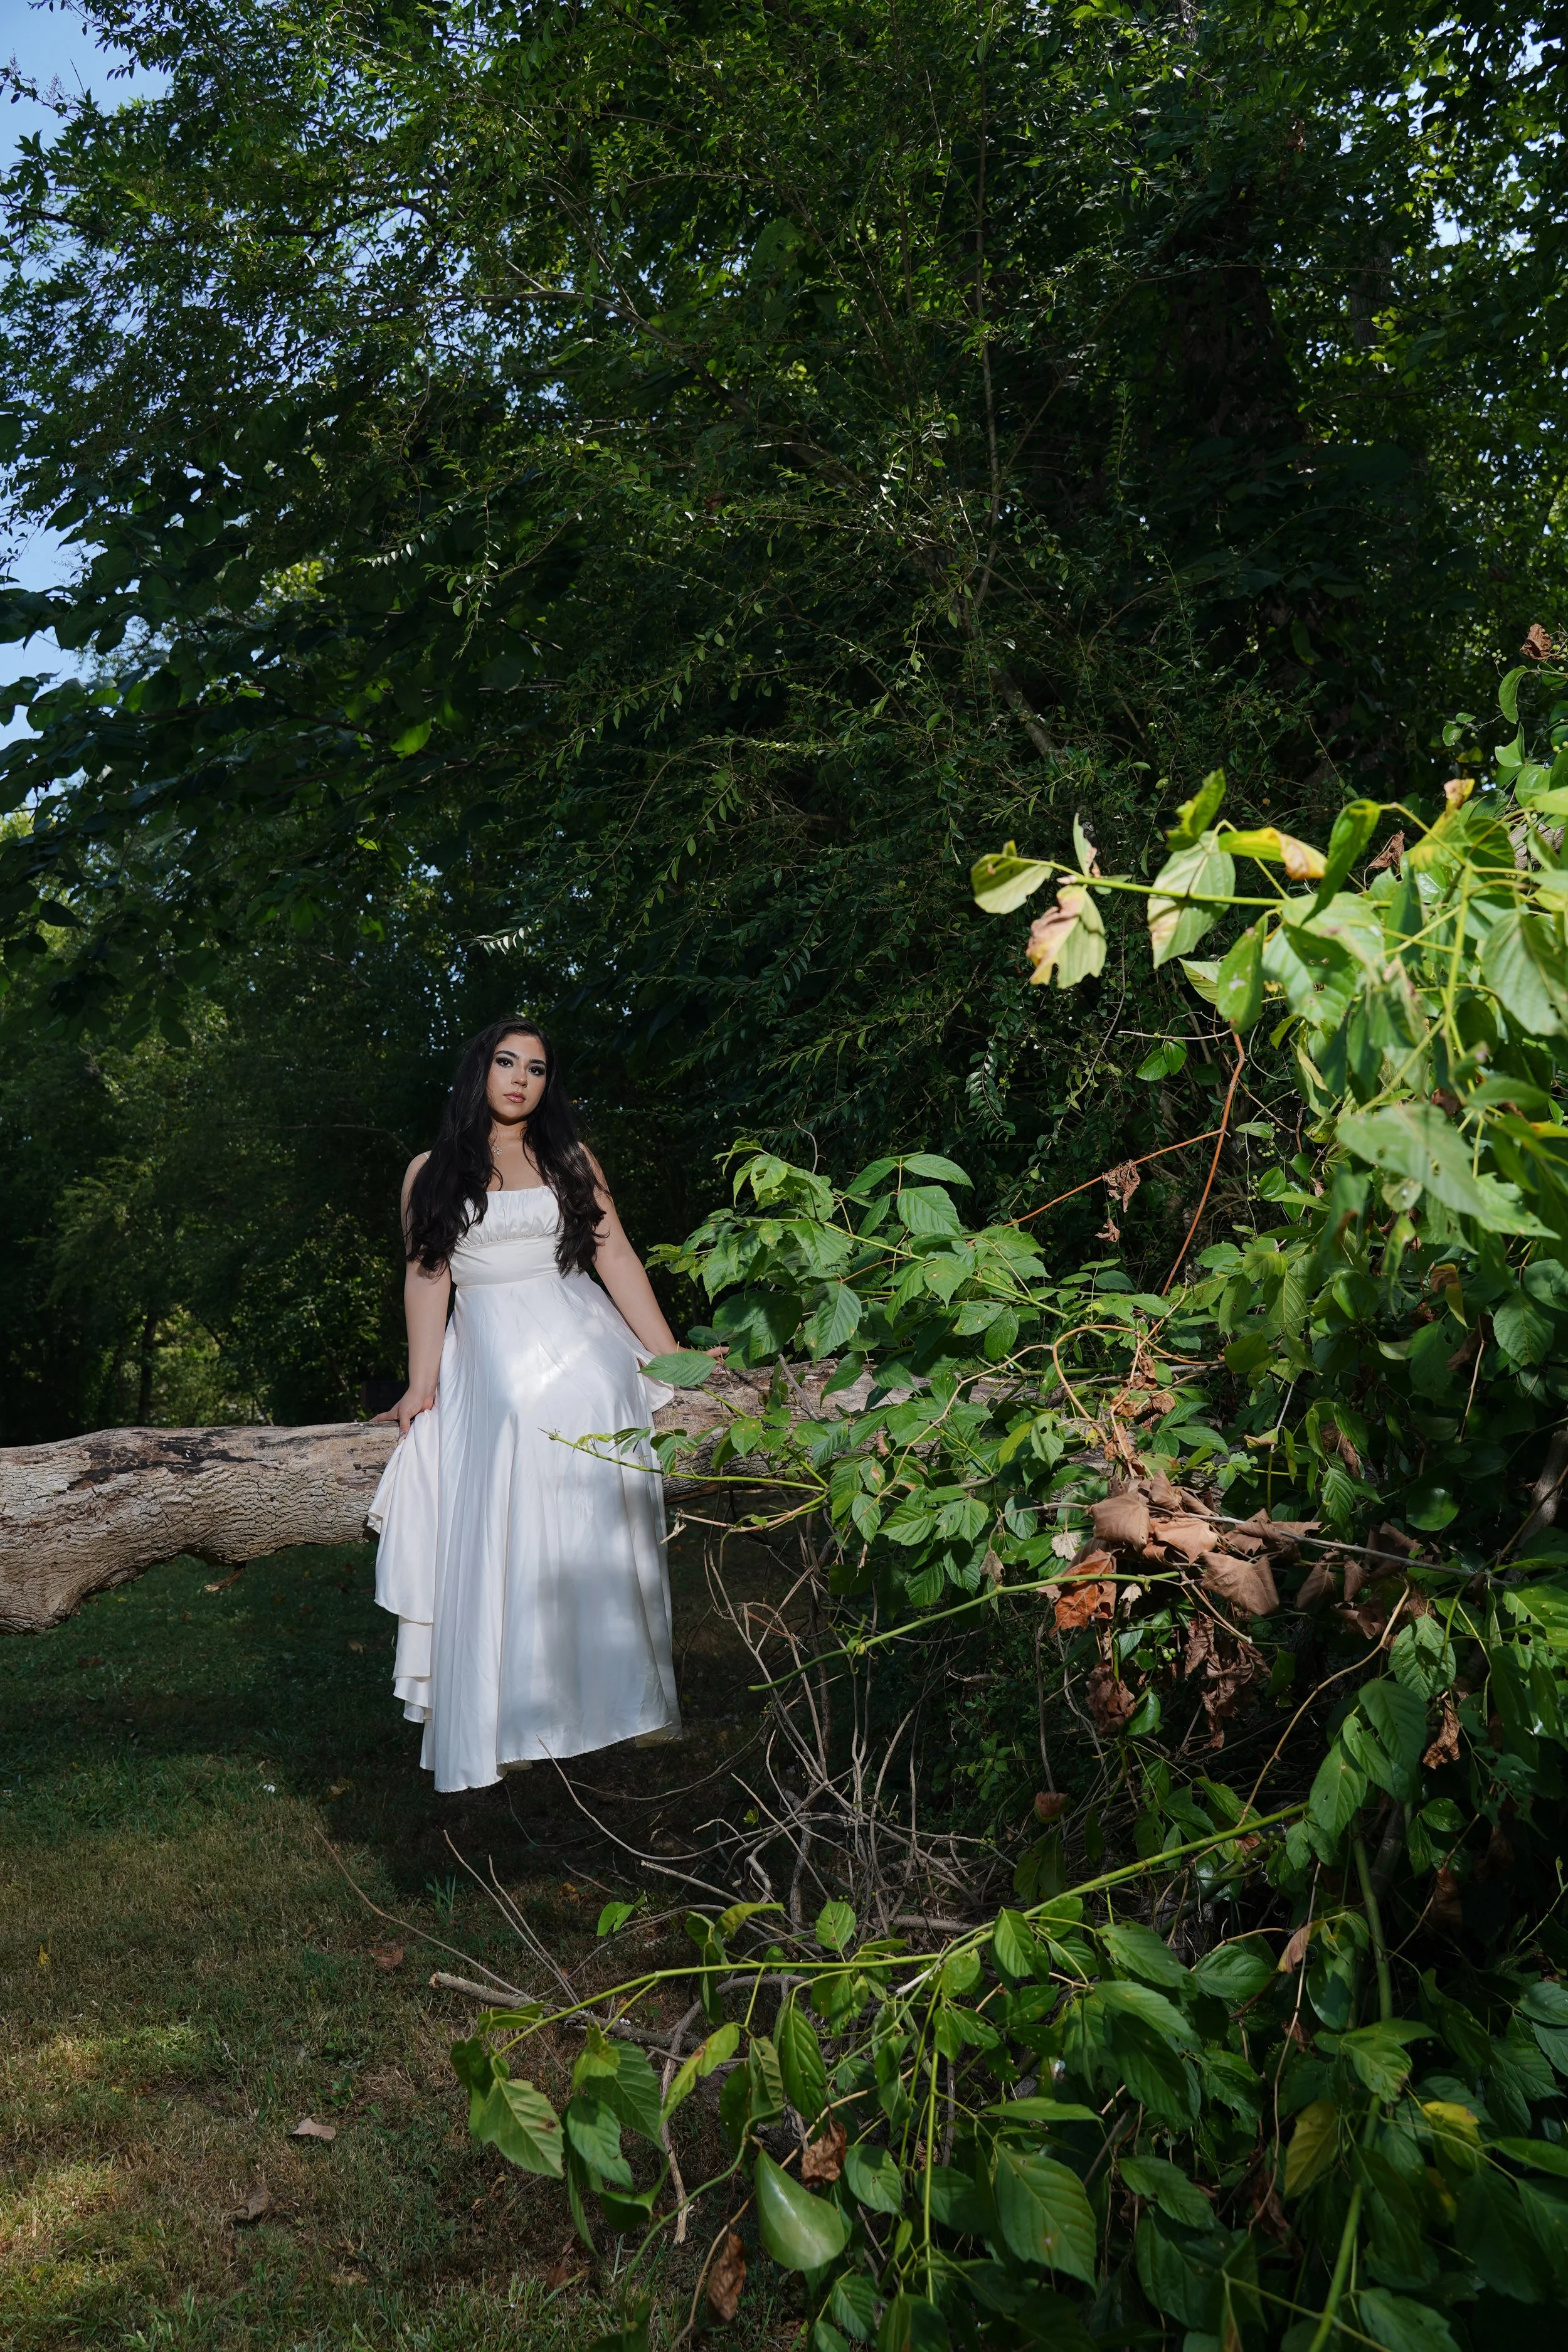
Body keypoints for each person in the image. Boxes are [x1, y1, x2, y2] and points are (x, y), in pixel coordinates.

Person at [367, 1018, 682, 1791]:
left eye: (537, 1069)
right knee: (508, 1401)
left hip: (576, 1327)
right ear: (479, 1071)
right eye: (507, 1063)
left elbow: (613, 1252)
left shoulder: (568, 1157)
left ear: (547, 1086)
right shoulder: (431, 1170)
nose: (520, 1079)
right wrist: (420, 1384)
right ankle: (514, 1690)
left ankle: (606, 1680)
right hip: (492, 1338)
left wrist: (674, 1355)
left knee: (581, 1394)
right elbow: (428, 1277)